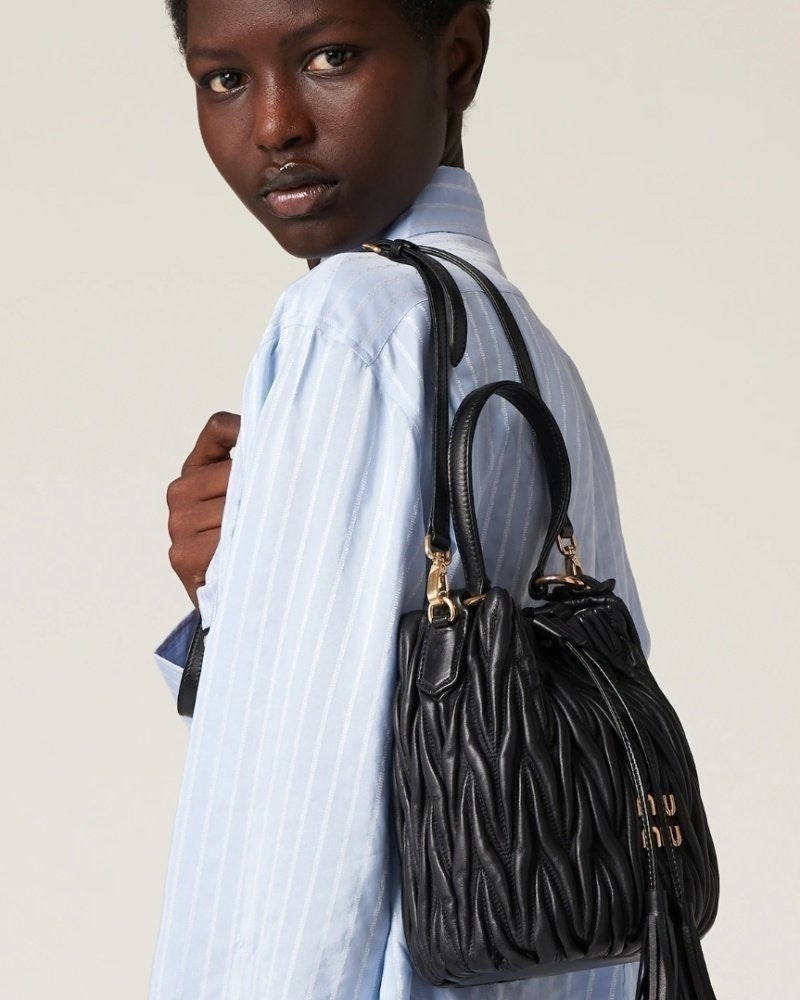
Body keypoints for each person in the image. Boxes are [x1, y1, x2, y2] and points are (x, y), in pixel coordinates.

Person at [151, 1, 648, 997]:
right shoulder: (531, 353)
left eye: (330, 56)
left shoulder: (350, 319)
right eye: (224, 78)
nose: (275, 125)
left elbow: (303, 832)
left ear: (456, 57)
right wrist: (229, 592)